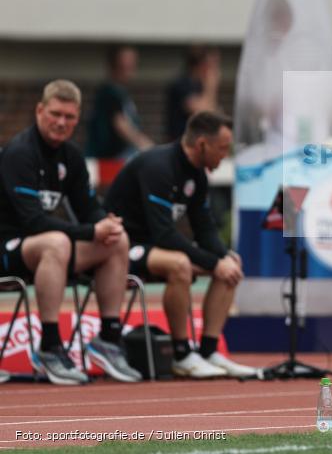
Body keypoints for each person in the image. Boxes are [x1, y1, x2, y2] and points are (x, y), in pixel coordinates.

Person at [0, 80, 141, 385]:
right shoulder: (19, 153)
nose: (61, 123)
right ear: (40, 110)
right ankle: (50, 346)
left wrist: (106, 224)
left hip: (45, 250)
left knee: (118, 241)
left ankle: (108, 338)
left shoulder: (72, 158)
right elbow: (33, 222)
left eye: (69, 117)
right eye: (55, 114)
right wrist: (92, 230)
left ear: (78, 118)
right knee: (57, 242)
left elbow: (88, 209)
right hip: (8, 248)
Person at [103, 111, 255, 378]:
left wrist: (222, 257)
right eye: (222, 148)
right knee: (180, 264)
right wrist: (213, 262)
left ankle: (208, 350)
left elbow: (205, 229)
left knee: (231, 264)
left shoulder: (197, 176)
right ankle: (182, 354)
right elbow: (164, 234)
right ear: (202, 145)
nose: (224, 155)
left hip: (157, 247)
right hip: (124, 248)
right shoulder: (158, 166)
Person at [85, 45, 153, 159]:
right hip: (110, 158)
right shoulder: (109, 92)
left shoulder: (119, 92)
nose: (132, 68)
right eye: (128, 64)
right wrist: (145, 145)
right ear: (116, 64)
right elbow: (121, 124)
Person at [165, 46, 221, 142]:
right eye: (213, 65)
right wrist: (211, 86)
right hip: (181, 144)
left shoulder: (200, 85)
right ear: (202, 64)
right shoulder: (182, 84)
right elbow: (205, 114)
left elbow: (217, 116)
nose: (216, 70)